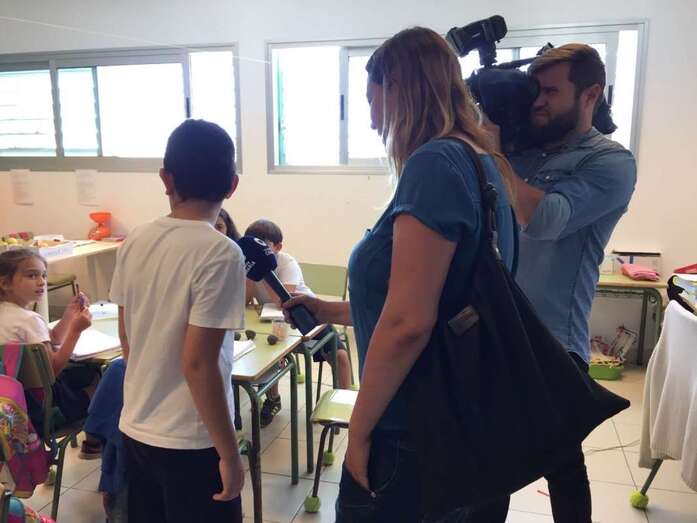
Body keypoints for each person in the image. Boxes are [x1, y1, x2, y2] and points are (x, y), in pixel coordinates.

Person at [283, 27, 515, 522]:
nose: (372, 121)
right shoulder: (484, 162)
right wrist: (327, 310)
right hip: (464, 416)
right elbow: (437, 298)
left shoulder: (434, 165)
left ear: (401, 90)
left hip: (409, 427)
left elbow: (409, 323)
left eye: (373, 101)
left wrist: (360, 429)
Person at [491, 44, 637, 522]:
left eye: (551, 92)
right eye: (535, 90)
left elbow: (546, 220)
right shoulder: (522, 151)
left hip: (554, 343)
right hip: (497, 330)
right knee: (489, 464)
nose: (538, 101)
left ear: (590, 94)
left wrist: (492, 152)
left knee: (562, 465)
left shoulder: (610, 162)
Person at [109, 119, 246, 522]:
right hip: (191, 440)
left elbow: (126, 335)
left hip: (137, 428)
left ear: (166, 179)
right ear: (232, 185)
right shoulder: (221, 252)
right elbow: (198, 363)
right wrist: (229, 454)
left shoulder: (135, 239)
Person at [244, 219, 352, 428]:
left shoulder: (286, 262)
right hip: (271, 322)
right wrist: (249, 274)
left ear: (278, 247)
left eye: (264, 246)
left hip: (308, 317)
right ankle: (273, 399)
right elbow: (244, 301)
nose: (258, 251)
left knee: (339, 356)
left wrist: (262, 271)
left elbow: (283, 299)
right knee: (268, 355)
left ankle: (343, 405)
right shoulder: (250, 266)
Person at [0, 248, 97, 437]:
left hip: (11, 403)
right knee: (98, 376)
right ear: (5, 283)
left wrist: (69, 315)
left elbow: (52, 338)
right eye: (32, 275)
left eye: (43, 275)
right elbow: (51, 370)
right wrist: (75, 331)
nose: (41, 281)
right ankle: (93, 441)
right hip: (43, 409)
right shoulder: (28, 320)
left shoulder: (12, 315)